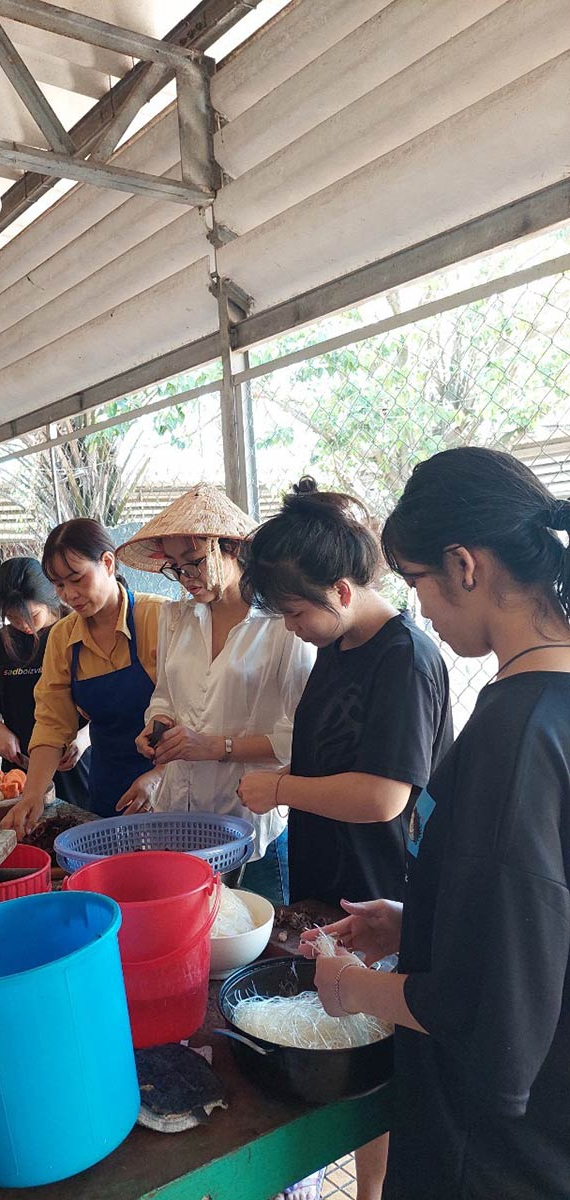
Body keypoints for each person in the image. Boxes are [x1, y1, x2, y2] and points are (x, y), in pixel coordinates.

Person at [301, 447, 570, 1200]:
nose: (418, 605)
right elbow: (537, 917)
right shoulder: (542, 711)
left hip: (491, 1153)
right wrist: (416, 921)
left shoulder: (517, 741)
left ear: (464, 565)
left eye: (418, 581)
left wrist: (353, 988)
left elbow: (490, 1011)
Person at [236, 477, 452, 1200]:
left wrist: (282, 788)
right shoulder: (337, 646)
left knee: (377, 1062)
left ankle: (371, 1192)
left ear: (340, 588)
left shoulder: (405, 657)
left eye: (295, 611)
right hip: (331, 878)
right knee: (337, 1042)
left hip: (385, 886)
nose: (291, 626)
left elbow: (386, 795)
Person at [115, 483, 314, 905]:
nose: (186, 578)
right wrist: (159, 724)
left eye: (194, 562)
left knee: (259, 940)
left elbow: (299, 739)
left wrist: (216, 747)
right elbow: (164, 696)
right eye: (174, 567)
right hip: (181, 813)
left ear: (232, 549)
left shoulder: (284, 624)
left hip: (250, 817)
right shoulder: (176, 619)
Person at [1, 519, 163, 834]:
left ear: (107, 562)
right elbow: (52, 722)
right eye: (59, 585)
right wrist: (33, 794)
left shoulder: (158, 617)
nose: (69, 595)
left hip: (170, 787)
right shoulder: (62, 638)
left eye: (77, 579)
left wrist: (160, 776)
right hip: (107, 789)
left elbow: (190, 711)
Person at [0, 557, 91, 807]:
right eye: (14, 619)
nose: (24, 625)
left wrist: (83, 739)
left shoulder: (76, 633)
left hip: (78, 763)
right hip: (20, 766)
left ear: (50, 598)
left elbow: (107, 705)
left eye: (32, 615)